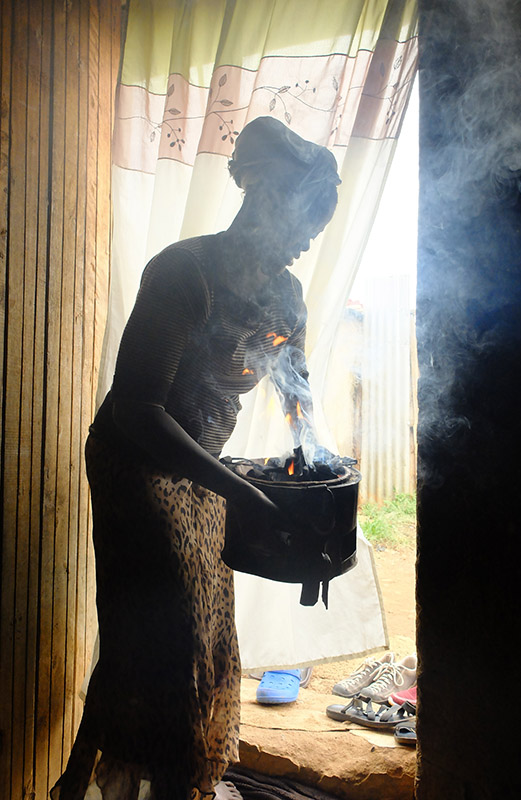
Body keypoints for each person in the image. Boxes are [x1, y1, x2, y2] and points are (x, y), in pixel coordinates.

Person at [50, 116, 341, 800]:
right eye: (303, 220)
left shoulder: (285, 296)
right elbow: (138, 409)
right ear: (265, 196)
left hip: (205, 473)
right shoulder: (186, 272)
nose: (307, 241)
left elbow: (297, 396)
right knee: (170, 632)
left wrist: (319, 496)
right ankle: (161, 783)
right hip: (136, 466)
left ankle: (105, 784)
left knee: (200, 624)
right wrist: (241, 493)